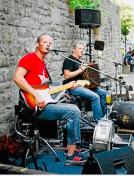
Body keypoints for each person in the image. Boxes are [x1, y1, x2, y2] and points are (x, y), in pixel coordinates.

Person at [13, 34, 86, 164]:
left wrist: (62, 92)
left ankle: (73, 147)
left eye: (50, 43)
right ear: (37, 44)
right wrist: (35, 95)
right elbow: (17, 78)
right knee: (73, 111)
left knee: (74, 108)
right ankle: (71, 153)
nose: (48, 44)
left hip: (44, 102)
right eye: (44, 42)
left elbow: (44, 90)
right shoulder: (30, 58)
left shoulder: (42, 64)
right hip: (35, 106)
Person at [62, 41, 107, 121]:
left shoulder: (80, 62)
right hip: (73, 87)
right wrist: (80, 70)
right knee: (95, 97)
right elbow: (66, 75)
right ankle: (98, 121)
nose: (82, 50)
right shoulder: (69, 60)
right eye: (80, 48)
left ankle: (103, 116)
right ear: (73, 50)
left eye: (83, 49)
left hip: (83, 85)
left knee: (103, 92)